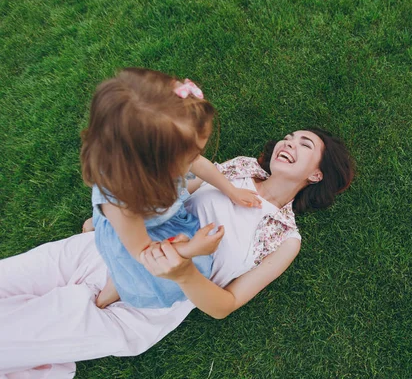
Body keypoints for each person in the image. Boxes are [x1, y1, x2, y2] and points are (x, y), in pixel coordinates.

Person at [0, 128, 354, 378]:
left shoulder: (285, 238)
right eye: (288, 137)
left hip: (145, 302)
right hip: (103, 251)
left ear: (317, 174)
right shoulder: (242, 168)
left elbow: (225, 305)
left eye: (303, 143)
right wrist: (116, 217)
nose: (288, 143)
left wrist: (183, 275)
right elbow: (176, 191)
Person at [80, 68, 261, 308]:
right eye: (190, 157)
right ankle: (113, 287)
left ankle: (94, 225)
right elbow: (144, 253)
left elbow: (199, 165)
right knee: (127, 270)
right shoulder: (121, 203)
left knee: (124, 232)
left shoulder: (155, 161)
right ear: (152, 166)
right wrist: (190, 250)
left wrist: (231, 191)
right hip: (141, 242)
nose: (196, 159)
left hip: (159, 220)